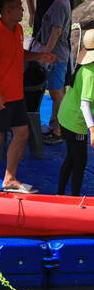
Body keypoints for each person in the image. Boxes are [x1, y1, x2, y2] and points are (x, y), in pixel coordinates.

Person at [0, 0, 56, 193]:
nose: (23, 10)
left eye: (22, 7)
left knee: (22, 134)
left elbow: (18, 53)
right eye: (18, 7)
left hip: (15, 95)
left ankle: (10, 179)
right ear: (7, 11)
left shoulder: (18, 29)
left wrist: (40, 56)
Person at [28, 0, 72, 145]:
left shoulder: (60, 4)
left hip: (56, 56)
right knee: (55, 91)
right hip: (54, 55)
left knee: (56, 92)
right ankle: (58, 127)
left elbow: (56, 31)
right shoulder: (59, 2)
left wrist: (44, 54)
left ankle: (60, 130)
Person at [57, 29, 94, 195]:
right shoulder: (91, 72)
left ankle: (60, 193)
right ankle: (74, 200)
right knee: (80, 162)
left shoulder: (85, 65)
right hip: (75, 122)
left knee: (72, 158)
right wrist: (92, 130)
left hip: (66, 116)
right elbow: (85, 105)